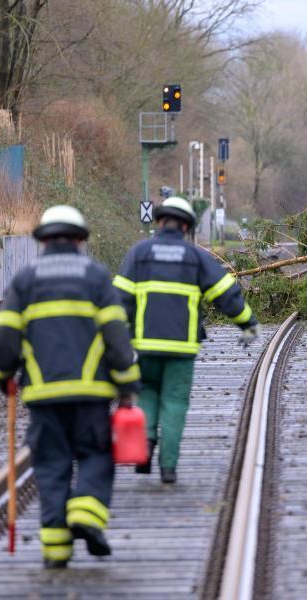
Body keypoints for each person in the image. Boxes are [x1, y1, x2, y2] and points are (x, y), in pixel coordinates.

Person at [0, 205, 141, 569]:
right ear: (79, 239)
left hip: (43, 396)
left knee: (51, 465)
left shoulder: (25, 280)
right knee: (95, 454)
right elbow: (117, 339)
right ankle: (86, 515)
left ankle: (56, 550)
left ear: (43, 240)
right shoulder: (95, 276)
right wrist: (127, 385)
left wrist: (3, 375)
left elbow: (4, 339)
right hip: (91, 394)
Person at [113, 196, 261, 484]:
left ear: (159, 223)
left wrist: (117, 341)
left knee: (147, 395)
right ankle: (168, 467)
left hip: (144, 346)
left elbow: (120, 301)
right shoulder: (196, 258)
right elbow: (225, 294)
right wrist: (247, 323)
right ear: (186, 227)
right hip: (182, 349)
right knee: (175, 403)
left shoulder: (139, 254)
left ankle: (144, 448)